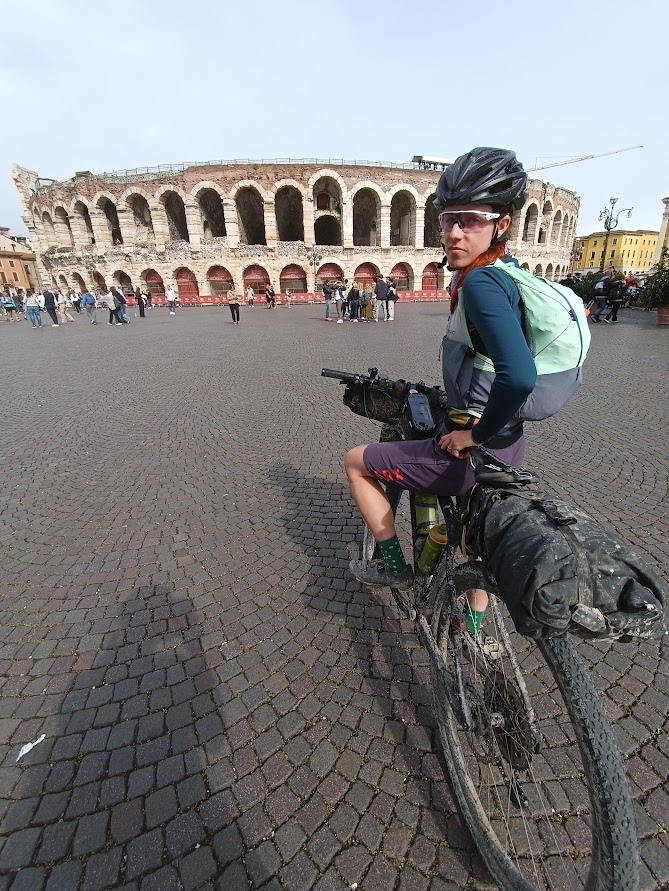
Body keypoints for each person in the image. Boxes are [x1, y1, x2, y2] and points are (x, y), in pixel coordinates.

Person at [344, 146, 535, 638]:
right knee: (475, 530)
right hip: (509, 443)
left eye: (470, 220)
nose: (453, 232)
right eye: (448, 219)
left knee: (355, 461)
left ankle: (391, 565)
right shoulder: (513, 278)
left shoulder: (481, 286)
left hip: (468, 446)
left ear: (503, 224)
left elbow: (519, 376)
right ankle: (473, 632)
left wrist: (473, 435)